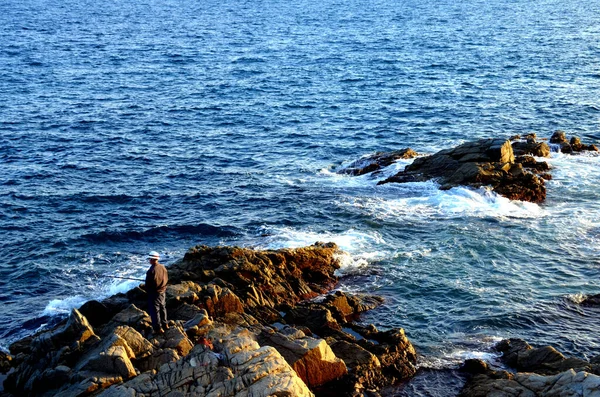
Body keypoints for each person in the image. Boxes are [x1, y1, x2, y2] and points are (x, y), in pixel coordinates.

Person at [145, 251, 168, 334]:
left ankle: (158, 329)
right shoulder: (163, 267)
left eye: (149, 259)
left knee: (155, 311)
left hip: (154, 294)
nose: (149, 260)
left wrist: (148, 291)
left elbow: (147, 285)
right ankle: (165, 324)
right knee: (163, 308)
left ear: (152, 259)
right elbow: (166, 279)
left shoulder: (151, 271)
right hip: (163, 291)